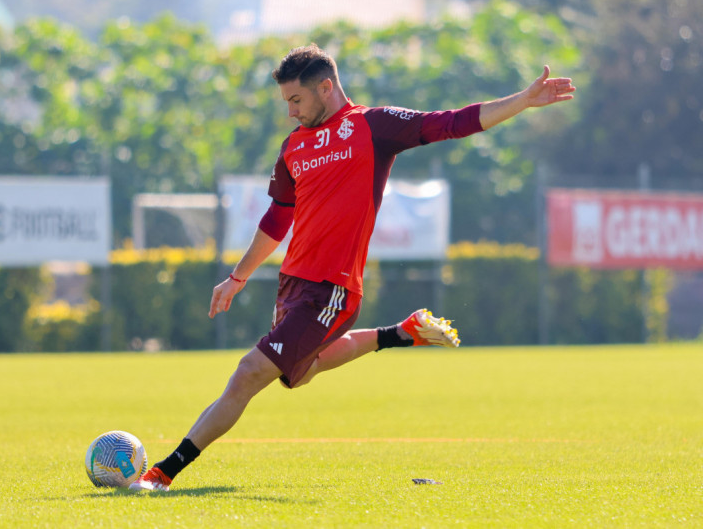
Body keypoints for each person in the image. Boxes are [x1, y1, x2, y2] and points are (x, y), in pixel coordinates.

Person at [130, 44, 575, 491]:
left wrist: (522, 100)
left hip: (332, 290)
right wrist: (238, 277)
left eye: (296, 100)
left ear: (326, 87)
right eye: (286, 102)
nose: (290, 112)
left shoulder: (372, 126)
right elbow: (276, 219)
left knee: (249, 373)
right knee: (297, 374)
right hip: (293, 286)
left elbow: (451, 123)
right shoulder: (292, 148)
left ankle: (163, 473)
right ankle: (401, 333)